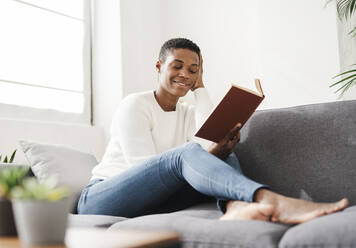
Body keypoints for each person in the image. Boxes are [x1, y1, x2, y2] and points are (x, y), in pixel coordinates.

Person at [77, 38, 348, 224]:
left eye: (193, 70)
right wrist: (196, 156)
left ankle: (234, 207)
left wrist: (201, 89)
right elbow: (144, 166)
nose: (185, 74)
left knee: (223, 153)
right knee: (188, 154)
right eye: (177, 66)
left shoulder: (187, 112)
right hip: (102, 198)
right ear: (159, 67)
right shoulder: (135, 104)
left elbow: (207, 139)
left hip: (149, 203)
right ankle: (271, 199)